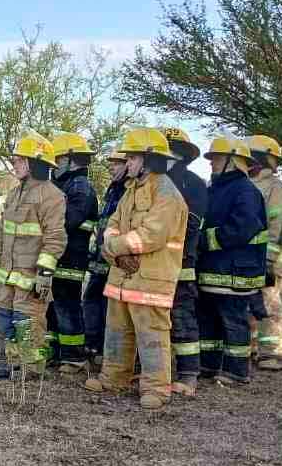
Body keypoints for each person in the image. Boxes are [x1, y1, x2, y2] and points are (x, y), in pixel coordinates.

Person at [85, 128, 187, 410]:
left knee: (152, 334)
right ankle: (114, 378)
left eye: (132, 157)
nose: (127, 162)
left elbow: (152, 234)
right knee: (117, 329)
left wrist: (115, 248)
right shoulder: (130, 191)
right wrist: (115, 254)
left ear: (149, 159)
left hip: (151, 280)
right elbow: (112, 226)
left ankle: (156, 389)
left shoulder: (167, 193)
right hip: (122, 276)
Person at [0, 131, 66, 380]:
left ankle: (31, 369)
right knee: (5, 318)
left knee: (27, 321)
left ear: (33, 163)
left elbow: (55, 238)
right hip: (7, 274)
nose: (14, 164)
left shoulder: (51, 195)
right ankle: (14, 363)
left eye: (19, 160)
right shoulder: (14, 193)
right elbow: (1, 232)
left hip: (31, 276)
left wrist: (44, 273)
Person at [196, 136, 267, 386]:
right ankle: (209, 365)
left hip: (236, 271)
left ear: (233, 161)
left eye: (216, 158)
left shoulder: (246, 191)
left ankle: (237, 372)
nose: (211, 163)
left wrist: (202, 240)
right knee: (209, 322)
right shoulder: (213, 189)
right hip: (213, 271)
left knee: (234, 322)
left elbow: (242, 228)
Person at [47, 132, 99, 373]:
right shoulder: (64, 184)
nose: (55, 165)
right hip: (60, 255)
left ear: (71, 159)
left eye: (58, 159)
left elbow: (68, 221)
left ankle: (74, 357)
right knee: (56, 304)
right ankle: (56, 351)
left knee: (68, 305)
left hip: (71, 258)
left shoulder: (80, 187)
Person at [163, 128, 209, 396]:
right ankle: (160, 371)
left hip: (181, 264)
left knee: (181, 317)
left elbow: (191, 226)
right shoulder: (150, 181)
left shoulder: (192, 183)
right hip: (152, 267)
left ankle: (189, 374)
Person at [83, 149, 128, 368]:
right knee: (92, 298)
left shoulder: (129, 190)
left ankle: (103, 349)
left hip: (116, 260)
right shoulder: (114, 188)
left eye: (117, 163)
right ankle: (92, 344)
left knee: (108, 306)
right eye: (111, 163)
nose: (112, 167)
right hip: (101, 258)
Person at [247, 135, 282, 371]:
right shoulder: (247, 185)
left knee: (270, 305)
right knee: (249, 304)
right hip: (247, 259)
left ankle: (271, 352)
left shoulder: (275, 188)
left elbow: (277, 227)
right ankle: (253, 348)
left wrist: (268, 259)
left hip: (271, 259)